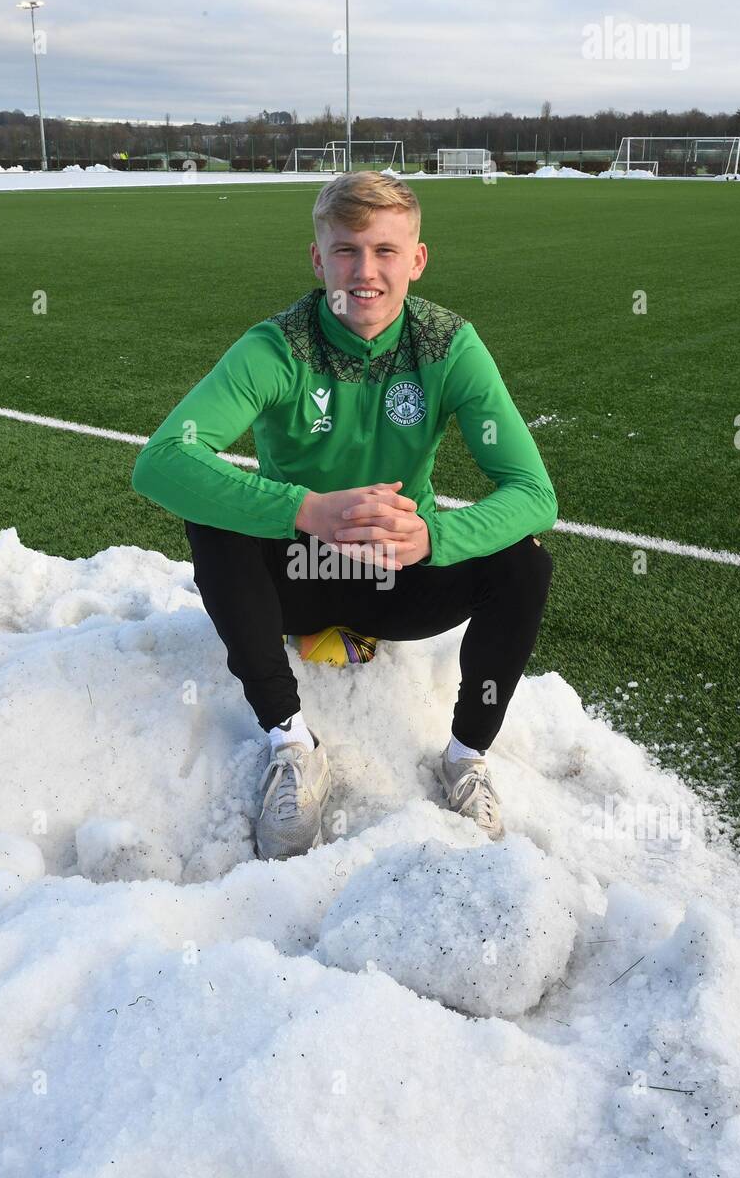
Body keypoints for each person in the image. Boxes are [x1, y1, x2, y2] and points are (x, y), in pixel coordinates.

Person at [132, 171, 557, 859]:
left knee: (525, 561)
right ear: (317, 258)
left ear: (416, 260)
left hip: (398, 580)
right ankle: (291, 743)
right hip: (294, 580)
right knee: (214, 518)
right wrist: (306, 509)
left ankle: (465, 757)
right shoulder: (278, 347)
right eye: (346, 251)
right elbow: (161, 462)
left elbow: (533, 492)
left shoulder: (448, 346)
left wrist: (434, 535)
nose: (365, 272)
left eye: (385, 251)